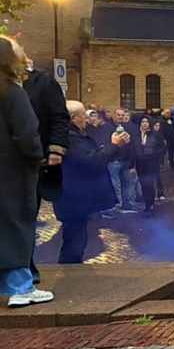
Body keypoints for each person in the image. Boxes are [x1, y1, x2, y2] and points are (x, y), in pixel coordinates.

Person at [0, 36, 50, 308]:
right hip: (10, 169)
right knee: (15, 225)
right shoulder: (12, 92)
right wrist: (36, 159)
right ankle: (20, 286)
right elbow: (26, 135)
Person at [57, 101, 130, 263]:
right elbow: (93, 161)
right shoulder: (71, 137)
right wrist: (114, 146)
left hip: (74, 197)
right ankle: (71, 276)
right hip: (73, 198)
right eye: (84, 114)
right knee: (74, 243)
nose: (87, 118)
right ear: (73, 118)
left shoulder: (70, 134)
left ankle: (72, 273)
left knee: (77, 239)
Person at [21, 57, 70, 285]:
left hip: (32, 162)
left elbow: (59, 116)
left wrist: (56, 149)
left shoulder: (43, 82)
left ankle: (24, 266)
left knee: (26, 214)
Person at [107, 108, 140, 214]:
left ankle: (126, 204)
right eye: (118, 115)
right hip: (114, 161)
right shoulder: (108, 127)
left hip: (125, 160)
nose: (120, 117)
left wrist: (131, 161)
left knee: (127, 183)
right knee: (113, 184)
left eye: (122, 115)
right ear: (113, 115)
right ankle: (109, 208)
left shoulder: (126, 127)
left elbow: (130, 144)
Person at [135, 116, 162, 215]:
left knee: (149, 184)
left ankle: (150, 204)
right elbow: (133, 149)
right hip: (140, 163)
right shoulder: (137, 135)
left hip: (151, 163)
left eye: (146, 122)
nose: (145, 124)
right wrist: (131, 164)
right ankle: (147, 204)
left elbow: (162, 148)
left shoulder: (155, 135)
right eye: (143, 122)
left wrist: (153, 154)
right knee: (143, 185)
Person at [151, 119, 167, 201]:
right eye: (156, 126)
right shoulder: (150, 135)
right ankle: (152, 194)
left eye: (158, 126)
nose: (157, 128)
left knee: (158, 177)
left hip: (156, 158)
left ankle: (160, 193)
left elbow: (163, 147)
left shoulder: (159, 135)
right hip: (149, 159)